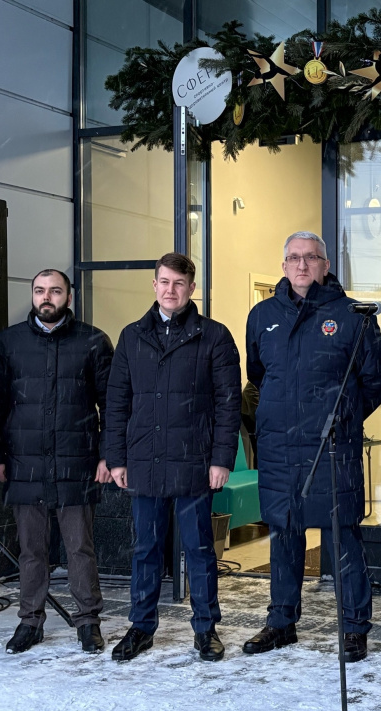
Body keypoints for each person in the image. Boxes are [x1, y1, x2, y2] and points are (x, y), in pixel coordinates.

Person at [242, 231, 381, 663]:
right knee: (283, 535)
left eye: (311, 257)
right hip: (279, 449)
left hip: (331, 447)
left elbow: (375, 381)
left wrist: (341, 417)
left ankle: (354, 627)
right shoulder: (263, 315)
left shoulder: (352, 315)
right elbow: (258, 373)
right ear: (283, 265)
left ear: (325, 265)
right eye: (294, 258)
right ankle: (281, 622)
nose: (302, 265)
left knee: (342, 539)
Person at [104, 252, 242, 662]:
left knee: (199, 549)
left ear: (191, 288)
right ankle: (141, 627)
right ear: (154, 285)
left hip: (194, 462)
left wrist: (221, 459)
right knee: (145, 549)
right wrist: (116, 458)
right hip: (144, 461)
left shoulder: (214, 336)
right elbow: (117, 403)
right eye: (164, 282)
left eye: (179, 283)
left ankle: (206, 629)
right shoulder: (132, 336)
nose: (170, 290)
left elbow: (228, 404)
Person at [0, 269, 114, 654]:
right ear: (32, 295)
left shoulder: (93, 341)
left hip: (77, 463)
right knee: (31, 550)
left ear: (68, 298)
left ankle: (88, 622)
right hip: (24, 464)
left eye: (55, 291)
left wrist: (108, 455)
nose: (47, 297)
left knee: (80, 549)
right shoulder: (8, 343)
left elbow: (111, 406)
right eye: (40, 290)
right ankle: (30, 621)